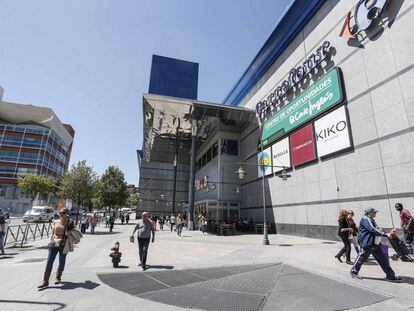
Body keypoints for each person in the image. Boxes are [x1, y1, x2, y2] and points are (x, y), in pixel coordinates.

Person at [350, 207, 401, 281]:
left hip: (375, 243)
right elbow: (372, 229)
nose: (375, 213)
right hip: (367, 243)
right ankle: (353, 272)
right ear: (369, 212)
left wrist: (383, 231)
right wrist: (386, 234)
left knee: (383, 260)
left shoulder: (371, 219)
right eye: (374, 212)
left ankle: (390, 276)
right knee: (361, 258)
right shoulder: (365, 219)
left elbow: (376, 229)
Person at [38, 208, 75, 288]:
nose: (61, 214)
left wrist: (68, 233)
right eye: (60, 212)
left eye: (63, 213)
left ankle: (58, 277)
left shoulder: (70, 222)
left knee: (61, 261)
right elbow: (52, 232)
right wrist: (51, 240)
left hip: (63, 244)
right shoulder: (56, 221)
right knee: (49, 261)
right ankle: (45, 281)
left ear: (67, 213)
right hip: (54, 243)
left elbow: (72, 233)